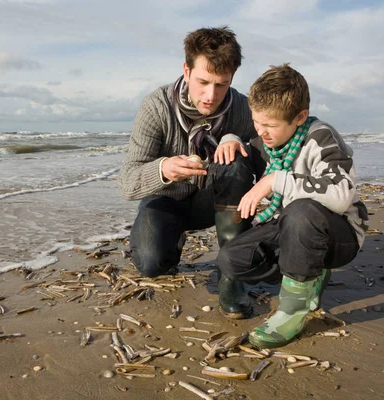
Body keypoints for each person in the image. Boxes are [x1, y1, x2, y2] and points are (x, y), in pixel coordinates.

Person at [216, 63, 369, 349]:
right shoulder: (266, 139)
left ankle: (293, 311)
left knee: (302, 210)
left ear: (300, 117)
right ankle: (309, 275)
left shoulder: (322, 137)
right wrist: (231, 139)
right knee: (231, 259)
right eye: (256, 122)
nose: (261, 131)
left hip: (339, 234)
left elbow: (342, 193)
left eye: (270, 125)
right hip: (288, 226)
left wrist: (277, 180)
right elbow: (243, 146)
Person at [118, 26, 262, 319]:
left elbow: (275, 148)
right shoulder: (156, 107)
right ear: (186, 70)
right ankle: (173, 239)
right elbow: (127, 183)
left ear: (232, 78)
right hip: (166, 200)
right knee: (150, 264)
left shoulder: (244, 109)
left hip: (217, 201)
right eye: (202, 82)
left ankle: (232, 278)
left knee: (236, 158)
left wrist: (239, 140)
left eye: (221, 85)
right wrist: (164, 168)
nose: (210, 96)